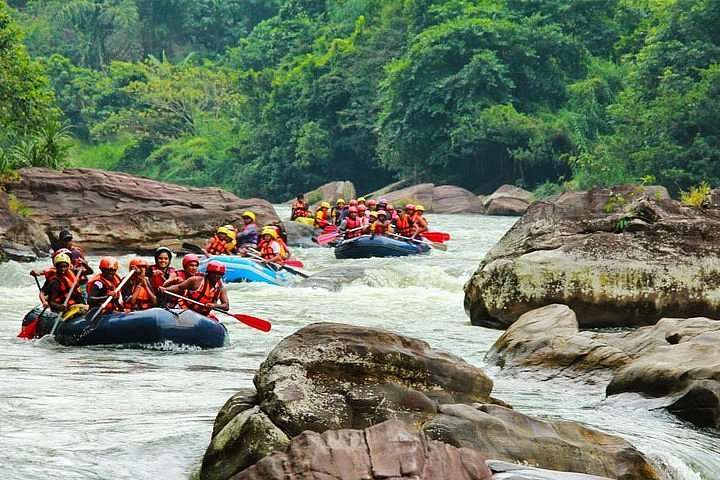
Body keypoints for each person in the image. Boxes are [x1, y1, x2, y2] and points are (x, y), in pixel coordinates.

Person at [161, 260, 229, 317]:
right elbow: (179, 287)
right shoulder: (195, 281)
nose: (216, 276)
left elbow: (226, 306)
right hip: (185, 309)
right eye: (214, 273)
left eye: (219, 274)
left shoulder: (221, 288)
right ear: (208, 273)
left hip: (203, 315)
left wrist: (214, 305)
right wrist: (166, 289)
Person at [53, 229, 93, 299]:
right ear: (60, 241)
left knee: (83, 296)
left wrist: (82, 266)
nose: (67, 242)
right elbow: (57, 269)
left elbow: (87, 270)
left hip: (80, 282)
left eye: (69, 240)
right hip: (66, 282)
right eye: (65, 240)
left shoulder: (76, 252)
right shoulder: (58, 254)